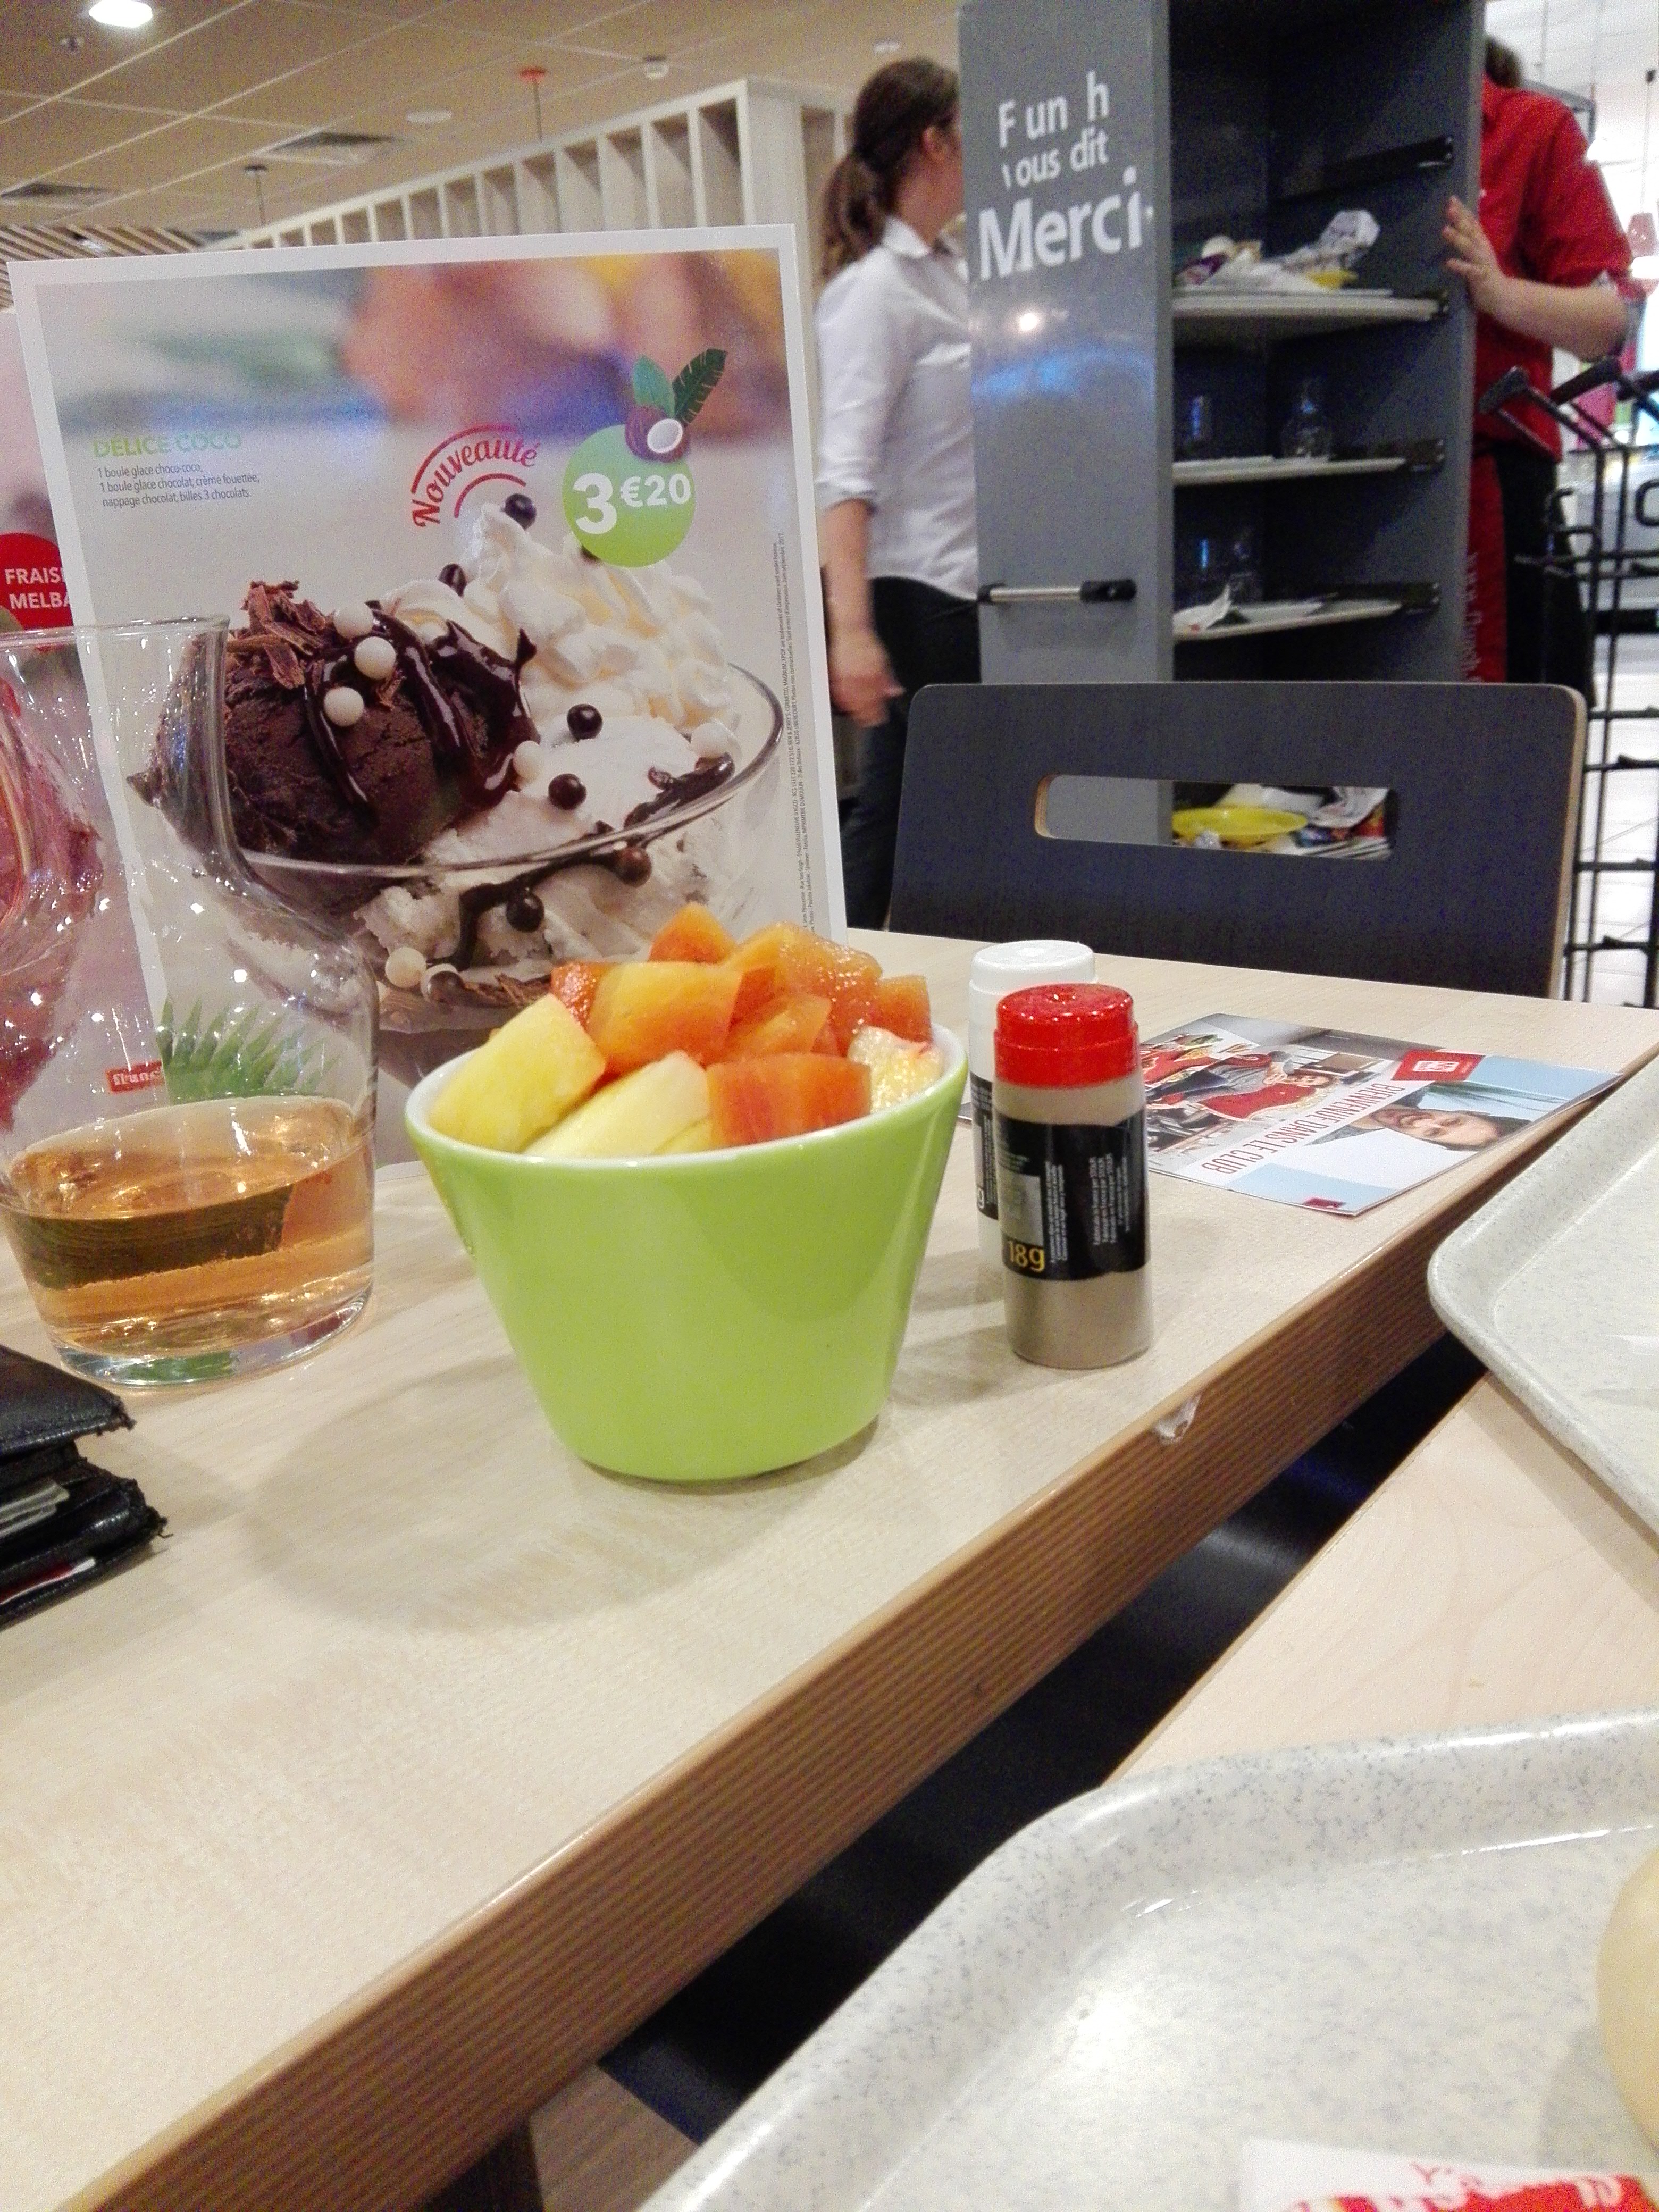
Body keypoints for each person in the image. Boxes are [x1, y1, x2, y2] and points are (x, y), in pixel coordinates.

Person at [815, 58, 978, 925]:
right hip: (923, 590)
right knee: (912, 814)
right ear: (934, 141)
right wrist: (850, 632)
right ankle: (845, 975)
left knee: (911, 811)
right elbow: (845, 473)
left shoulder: (952, 273)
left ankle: (852, 973)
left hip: (972, 587)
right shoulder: (874, 292)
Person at [1447, 37, 1639, 687]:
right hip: (1373, 479)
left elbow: (1608, 321)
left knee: (1507, 719)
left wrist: (1498, 292)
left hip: (1495, 476)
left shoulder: (1530, 129)